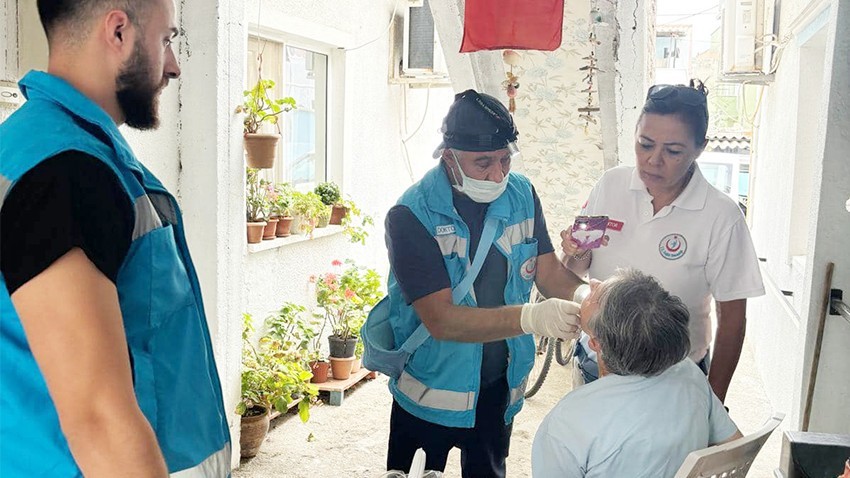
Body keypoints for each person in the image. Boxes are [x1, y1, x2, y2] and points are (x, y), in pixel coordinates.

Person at [0, 1, 230, 476]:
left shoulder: (31, 146)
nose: (174, 65)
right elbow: (99, 421)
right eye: (166, 39)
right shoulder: (66, 171)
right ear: (119, 31)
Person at [383, 89, 586, 477]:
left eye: (505, 159)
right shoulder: (411, 215)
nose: (498, 174)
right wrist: (531, 318)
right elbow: (442, 320)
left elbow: (547, 270)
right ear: (449, 158)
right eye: (483, 163)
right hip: (432, 389)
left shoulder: (521, 194)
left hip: (497, 385)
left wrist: (585, 293)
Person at [562, 80, 765, 402]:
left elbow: (733, 317)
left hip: (676, 379)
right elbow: (575, 268)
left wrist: (714, 399)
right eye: (645, 144)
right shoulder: (611, 184)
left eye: (673, 151)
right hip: (597, 366)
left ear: (700, 148)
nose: (654, 160)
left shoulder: (720, 215)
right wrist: (573, 251)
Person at [532, 269, 743, 477]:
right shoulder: (688, 374)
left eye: (597, 295)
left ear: (596, 344)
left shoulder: (568, 421)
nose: (593, 281)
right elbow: (735, 449)